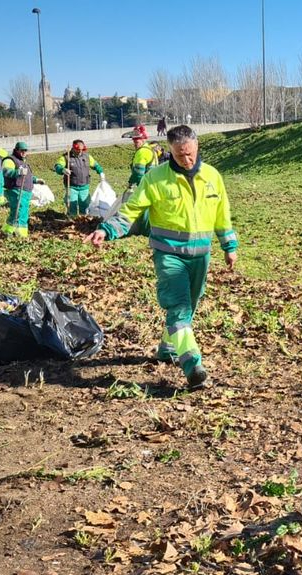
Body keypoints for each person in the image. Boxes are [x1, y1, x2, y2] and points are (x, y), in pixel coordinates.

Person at [84, 125, 236, 390]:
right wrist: (106, 230)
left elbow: (222, 213)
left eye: (189, 154)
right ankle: (193, 366)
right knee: (178, 306)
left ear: (196, 146)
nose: (186, 160)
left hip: (201, 255)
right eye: (179, 156)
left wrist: (229, 245)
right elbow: (130, 211)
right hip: (168, 254)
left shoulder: (213, 176)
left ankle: (167, 348)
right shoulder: (155, 179)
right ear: (171, 152)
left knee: (191, 305)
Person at [54, 140, 104, 218]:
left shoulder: (87, 156)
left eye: (82, 150)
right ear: (73, 148)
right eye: (78, 150)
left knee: (85, 205)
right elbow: (57, 166)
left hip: (84, 186)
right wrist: (62, 170)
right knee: (71, 205)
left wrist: (100, 172)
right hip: (71, 186)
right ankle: (72, 220)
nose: (80, 152)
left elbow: (95, 165)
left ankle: (83, 221)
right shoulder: (66, 157)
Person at [2, 141, 36, 237]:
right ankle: (21, 234)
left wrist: (36, 180)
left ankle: (7, 230)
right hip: (16, 189)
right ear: (16, 150)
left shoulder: (23, 161)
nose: (24, 152)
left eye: (25, 150)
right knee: (21, 212)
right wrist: (18, 172)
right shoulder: (10, 160)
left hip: (25, 190)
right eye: (22, 150)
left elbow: (27, 176)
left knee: (16, 212)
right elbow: (6, 172)